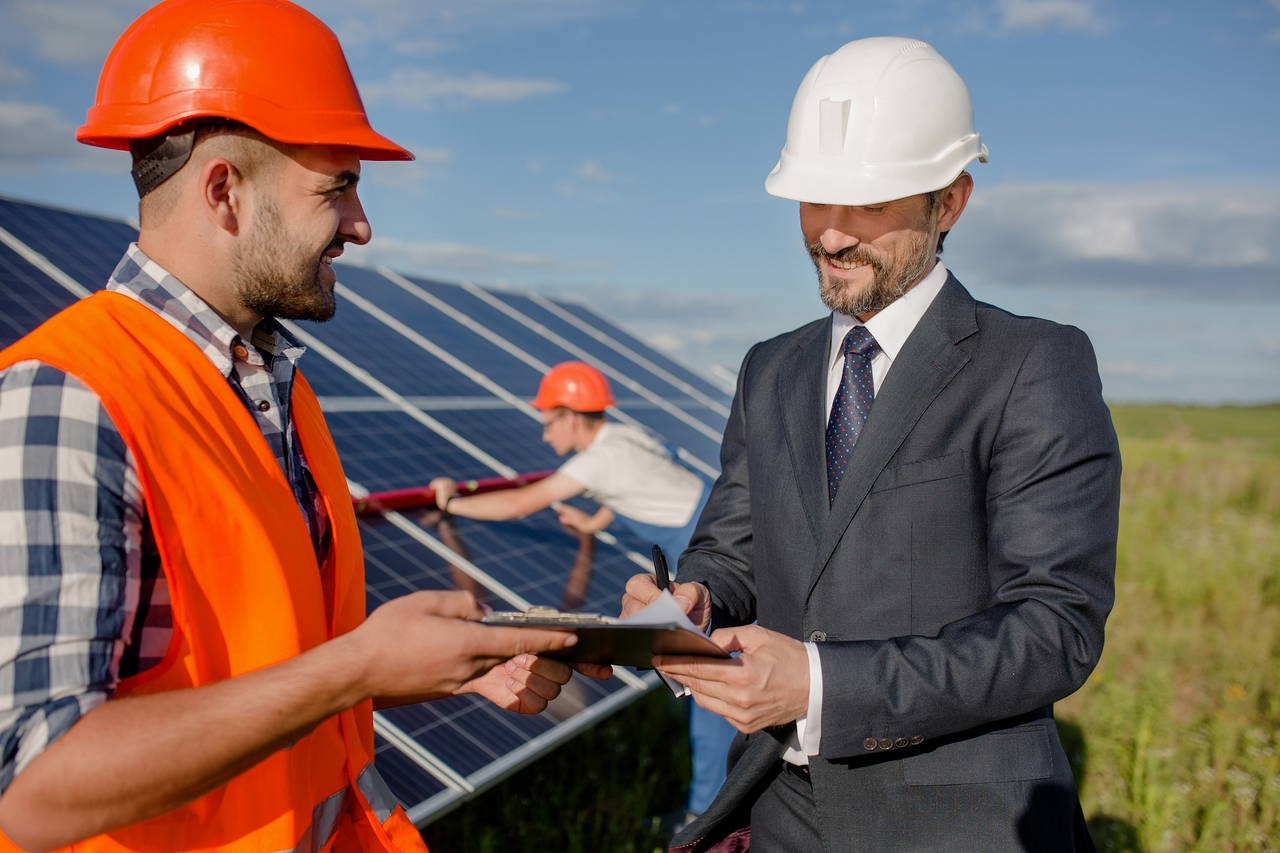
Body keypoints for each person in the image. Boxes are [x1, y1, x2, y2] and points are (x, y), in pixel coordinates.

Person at [0, 2, 608, 850]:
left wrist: (444, 666)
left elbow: (267, 666)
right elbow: (34, 786)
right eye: (337, 187)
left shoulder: (271, 387)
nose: (361, 224)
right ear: (224, 192)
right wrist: (356, 665)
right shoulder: (69, 395)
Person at [621, 37, 1121, 852]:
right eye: (815, 200)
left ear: (949, 202)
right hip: (777, 807)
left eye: (868, 204)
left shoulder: (1032, 363)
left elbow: (1053, 626)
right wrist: (694, 601)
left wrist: (819, 684)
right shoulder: (769, 369)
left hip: (958, 822)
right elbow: (735, 547)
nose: (831, 234)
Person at [429, 361, 737, 819]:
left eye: (548, 422)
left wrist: (451, 501)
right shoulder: (626, 439)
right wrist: (594, 521)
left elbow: (519, 503)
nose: (545, 435)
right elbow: (650, 481)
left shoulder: (597, 460)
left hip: (700, 554)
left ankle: (707, 817)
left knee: (708, 682)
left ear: (571, 418)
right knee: (713, 672)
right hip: (718, 532)